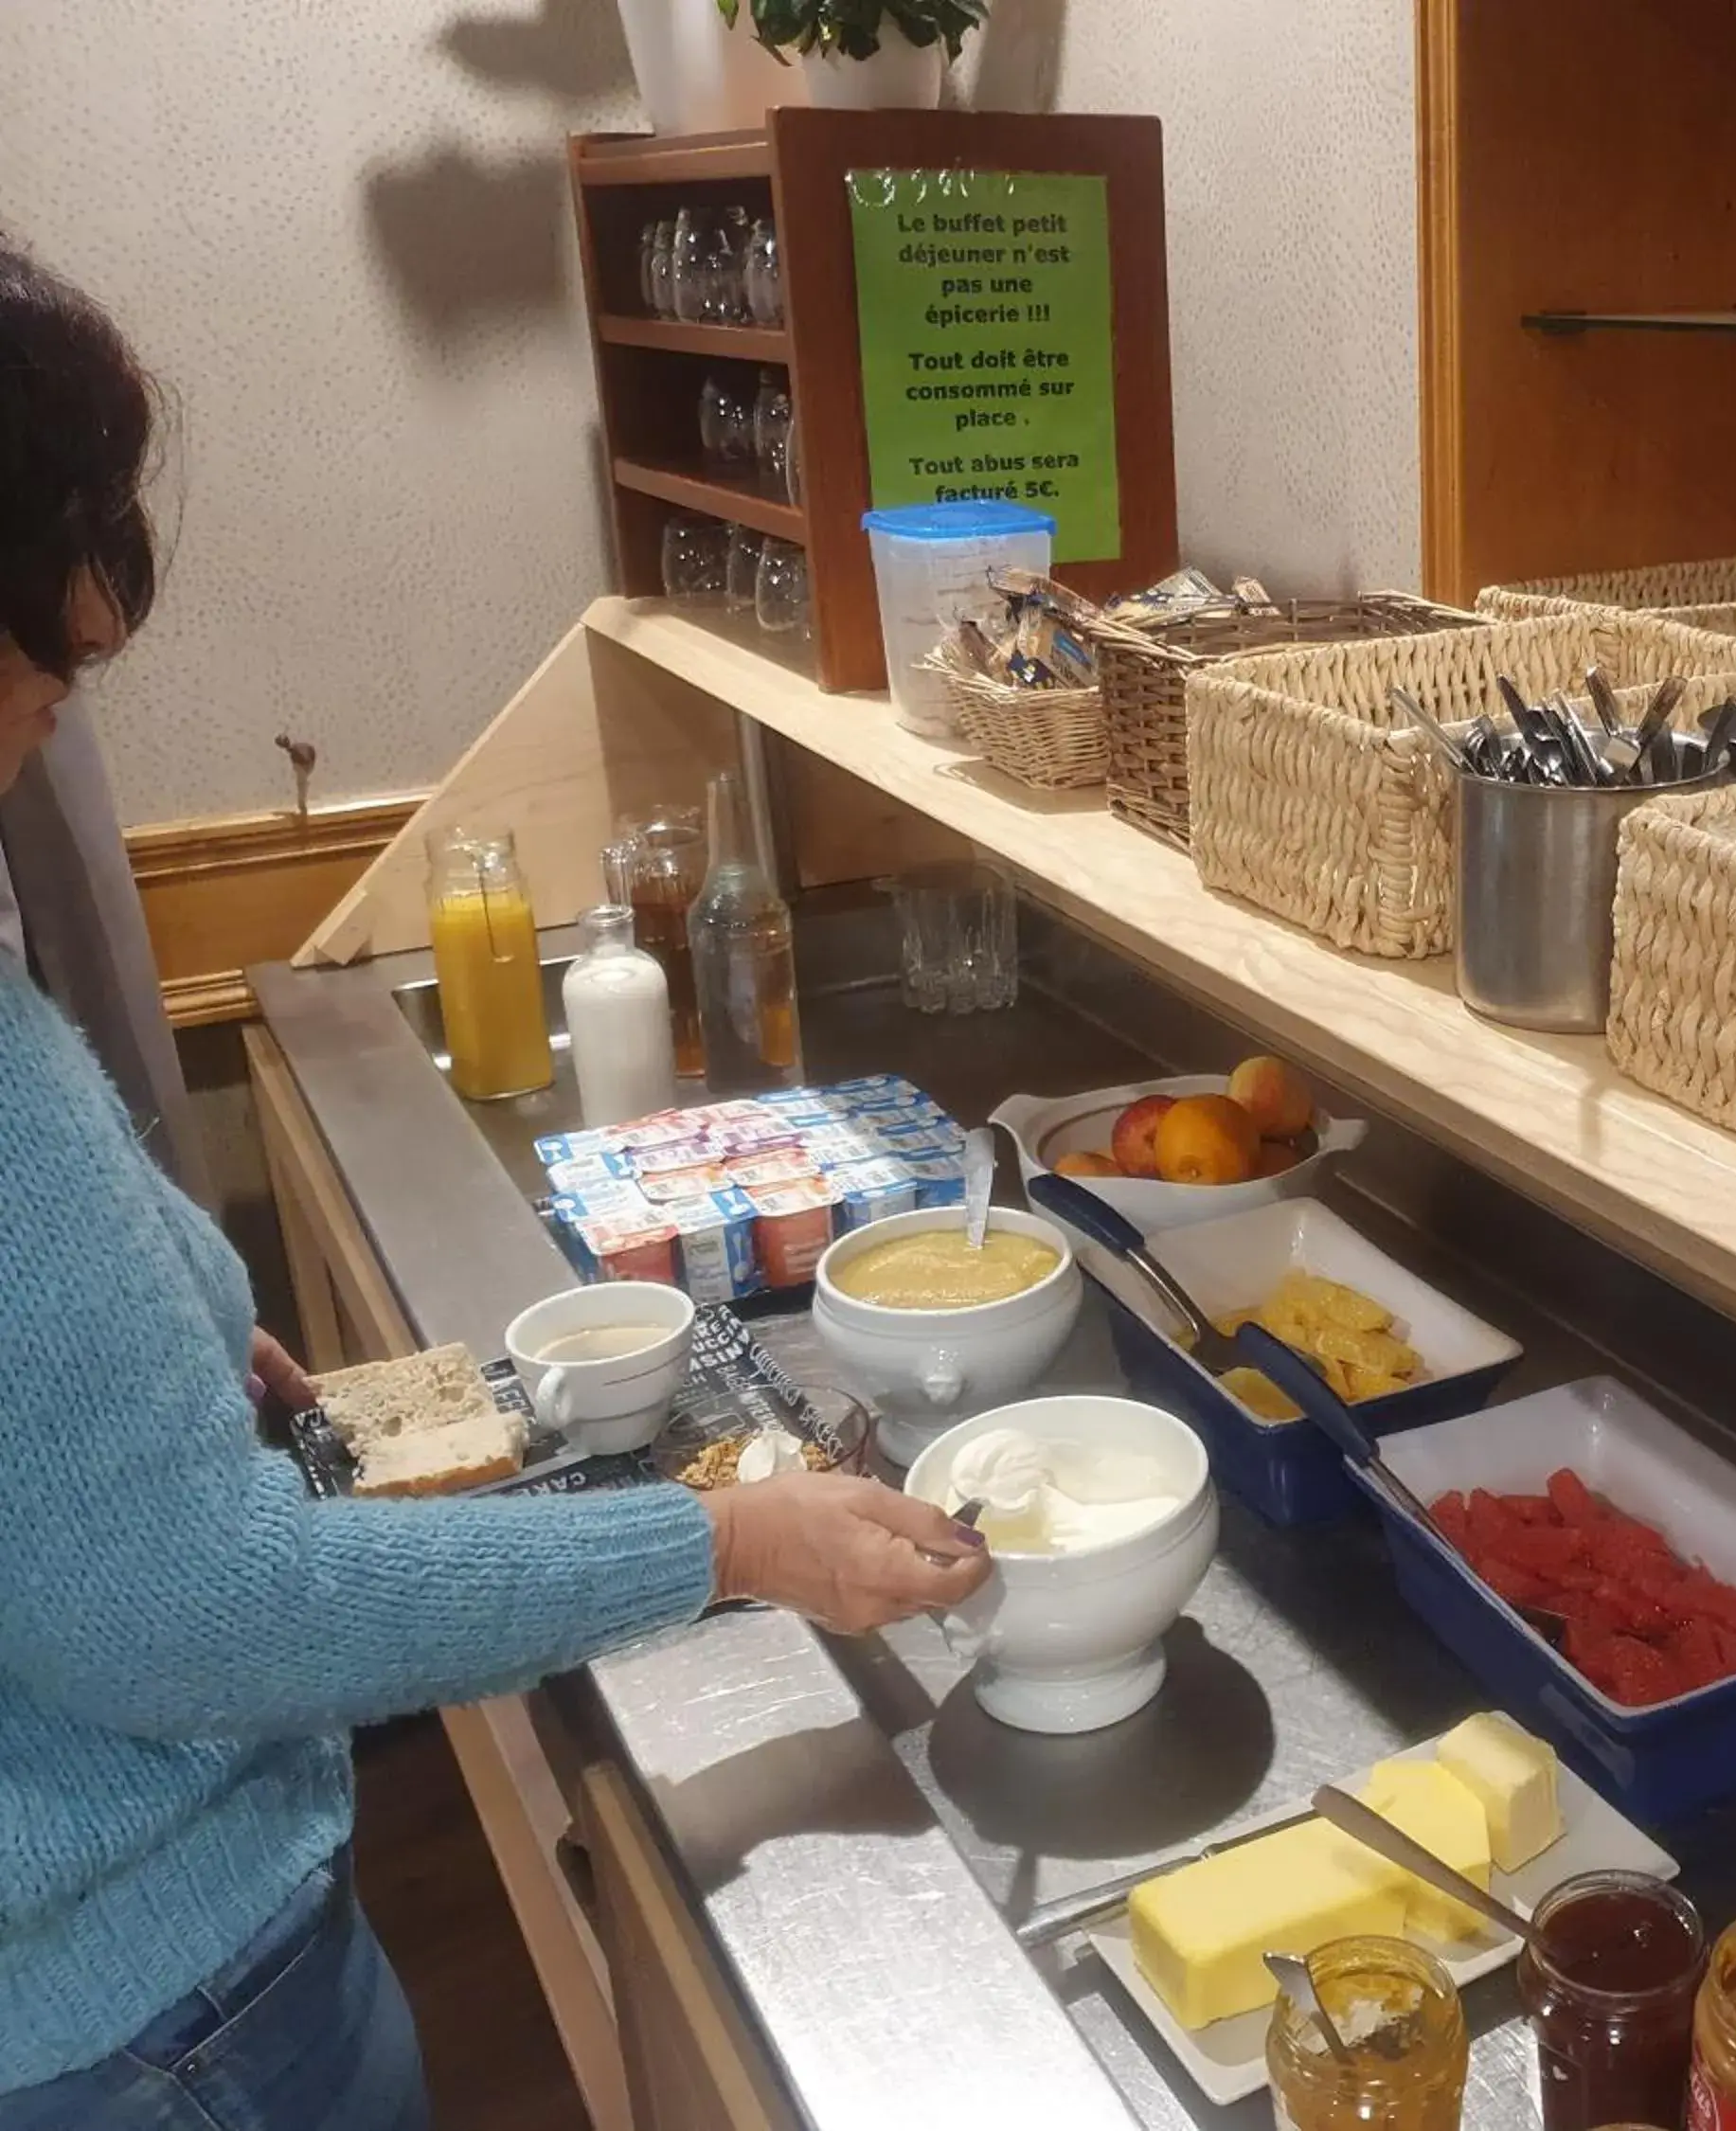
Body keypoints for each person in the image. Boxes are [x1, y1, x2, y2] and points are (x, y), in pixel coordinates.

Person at [0, 242, 993, 2130]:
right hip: (149, 2031)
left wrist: (174, 1356)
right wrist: (729, 1544)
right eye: (58, 634)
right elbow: (199, 1611)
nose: (81, 666)